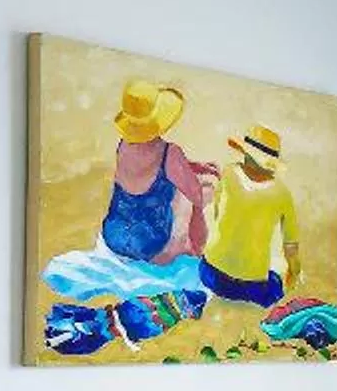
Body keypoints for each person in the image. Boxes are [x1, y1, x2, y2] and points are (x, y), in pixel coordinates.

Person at [100, 80, 215, 265]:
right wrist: (200, 195)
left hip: (114, 233)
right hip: (149, 242)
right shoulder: (170, 152)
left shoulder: (123, 145)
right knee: (202, 191)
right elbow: (196, 196)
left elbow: (150, 167)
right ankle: (194, 250)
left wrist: (193, 165)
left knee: (173, 185)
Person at [203, 122, 302, 310]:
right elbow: (291, 246)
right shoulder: (282, 193)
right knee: (274, 282)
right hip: (251, 286)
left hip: (211, 273)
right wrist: (294, 273)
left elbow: (217, 213)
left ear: (246, 152)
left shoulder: (229, 172)